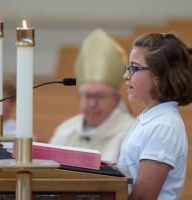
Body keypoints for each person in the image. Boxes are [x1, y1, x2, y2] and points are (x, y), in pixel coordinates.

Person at [118, 32, 192, 199]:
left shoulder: (163, 126)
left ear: (159, 74)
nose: (126, 75)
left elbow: (143, 197)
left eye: (134, 68)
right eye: (128, 67)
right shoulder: (151, 117)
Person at [49, 28, 136, 163]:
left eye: (100, 96)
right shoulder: (66, 130)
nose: (92, 104)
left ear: (116, 99)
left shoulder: (131, 133)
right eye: (87, 96)